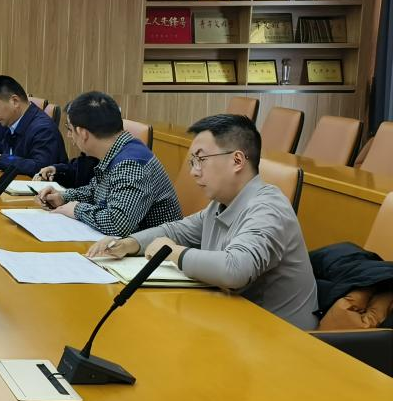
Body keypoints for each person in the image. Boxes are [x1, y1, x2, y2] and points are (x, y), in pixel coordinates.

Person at [87, 114, 316, 330]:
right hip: (234, 323)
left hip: (280, 337)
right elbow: (176, 230)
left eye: (201, 160)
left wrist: (172, 252)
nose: (194, 172)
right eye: (193, 162)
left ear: (237, 160)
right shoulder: (220, 204)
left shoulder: (268, 207)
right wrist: (129, 243)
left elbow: (235, 269)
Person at [34, 92, 181, 236]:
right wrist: (63, 197)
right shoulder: (120, 147)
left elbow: (118, 223)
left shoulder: (131, 164)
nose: (68, 135)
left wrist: (77, 209)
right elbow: (97, 191)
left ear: (83, 133)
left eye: (70, 129)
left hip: (154, 248)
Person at [0, 75, 66, 177]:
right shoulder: (14, 121)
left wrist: (2, 160)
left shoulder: (43, 129)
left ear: (15, 101)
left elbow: (41, 167)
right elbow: (4, 147)